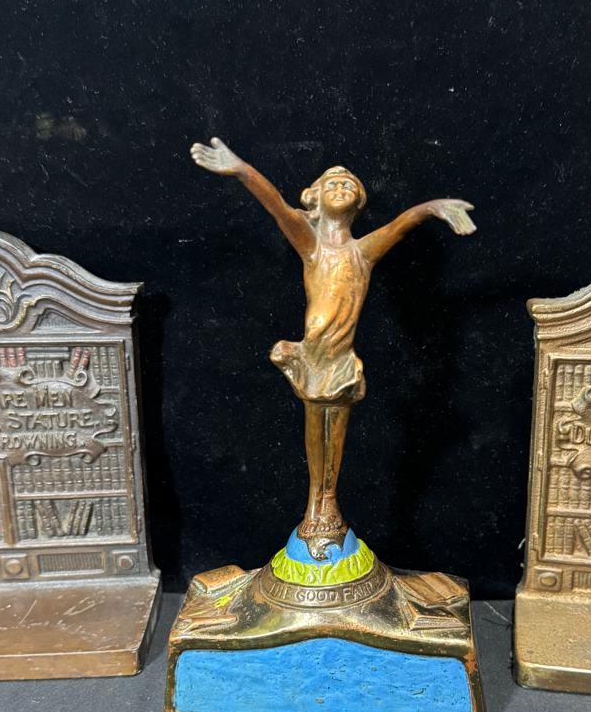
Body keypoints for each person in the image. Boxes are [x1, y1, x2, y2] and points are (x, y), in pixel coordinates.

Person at [190, 137, 476, 560]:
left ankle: (330, 503)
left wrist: (431, 208)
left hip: (341, 362)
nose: (342, 188)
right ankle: (315, 504)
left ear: (358, 202)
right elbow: (277, 207)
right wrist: (242, 170)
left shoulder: (363, 252)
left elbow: (400, 225)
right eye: (333, 184)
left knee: (335, 434)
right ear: (315, 199)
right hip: (313, 358)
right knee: (314, 429)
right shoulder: (312, 247)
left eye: (349, 185)